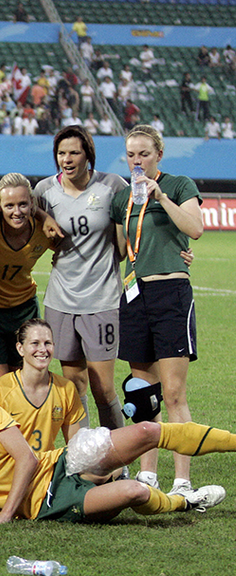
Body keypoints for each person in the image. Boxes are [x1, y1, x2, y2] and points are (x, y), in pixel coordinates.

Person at [0, 369, 229, 524]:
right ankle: (185, 502)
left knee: (146, 429)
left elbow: (28, 460)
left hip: (60, 462)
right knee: (136, 492)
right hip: (47, 503)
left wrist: (5, 514)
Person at [110, 124, 203, 494]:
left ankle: (182, 480)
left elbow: (194, 228)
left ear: (158, 155)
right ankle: (148, 473)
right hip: (135, 296)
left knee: (175, 392)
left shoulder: (179, 185)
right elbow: (119, 250)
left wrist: (161, 196)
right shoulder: (123, 199)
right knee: (140, 390)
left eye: (144, 154)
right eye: (131, 155)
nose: (137, 161)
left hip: (171, 293)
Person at [33, 126, 128, 430]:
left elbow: (133, 234)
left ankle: (118, 457)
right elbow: (22, 215)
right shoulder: (44, 191)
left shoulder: (112, 186)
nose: (67, 159)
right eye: (61, 153)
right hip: (61, 301)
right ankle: (85, 456)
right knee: (73, 387)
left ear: (88, 154)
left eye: (74, 152)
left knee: (103, 388)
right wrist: (43, 216)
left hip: (101, 300)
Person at [0, 173, 53, 383]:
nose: (17, 212)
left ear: (32, 204)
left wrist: (44, 216)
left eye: (23, 204)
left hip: (24, 311)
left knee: (23, 383)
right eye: (9, 206)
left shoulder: (44, 231)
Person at [0, 319, 84, 451]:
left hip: (48, 468)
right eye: (35, 343)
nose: (43, 350)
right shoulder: (0, 389)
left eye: (47, 343)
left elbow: (75, 445)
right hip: (11, 468)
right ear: (20, 349)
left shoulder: (66, 388)